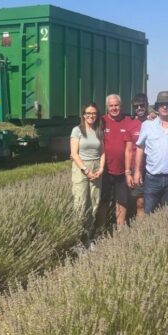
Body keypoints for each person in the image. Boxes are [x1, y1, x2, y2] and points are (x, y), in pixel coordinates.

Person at [70, 103, 106, 241]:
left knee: (94, 203)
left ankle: (87, 238)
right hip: (81, 168)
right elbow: (74, 153)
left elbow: (102, 152)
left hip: (96, 167)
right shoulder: (77, 130)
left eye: (94, 113)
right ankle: (77, 239)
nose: (91, 116)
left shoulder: (98, 130)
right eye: (88, 113)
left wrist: (101, 168)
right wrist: (85, 170)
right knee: (81, 203)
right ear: (83, 115)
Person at [96, 94, 131, 230]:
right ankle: (100, 229)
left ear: (120, 106)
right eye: (111, 106)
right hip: (105, 170)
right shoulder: (101, 121)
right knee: (103, 201)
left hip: (122, 171)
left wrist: (152, 116)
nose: (114, 108)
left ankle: (120, 230)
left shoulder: (128, 120)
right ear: (107, 107)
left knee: (122, 201)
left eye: (116, 105)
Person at [124, 93, 149, 218]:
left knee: (152, 201)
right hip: (137, 169)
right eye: (136, 107)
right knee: (140, 202)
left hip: (154, 169)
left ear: (147, 105)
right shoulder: (131, 125)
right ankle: (141, 229)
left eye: (142, 105)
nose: (139, 108)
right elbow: (128, 150)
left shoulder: (155, 122)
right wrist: (128, 172)